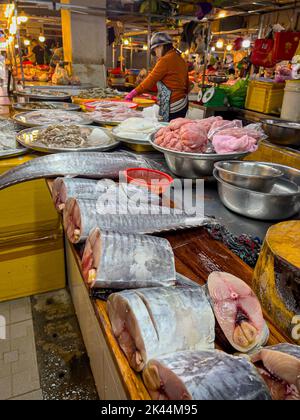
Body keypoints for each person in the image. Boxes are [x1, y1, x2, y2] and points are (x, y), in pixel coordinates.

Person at [125, 32, 190, 122]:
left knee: (166, 132)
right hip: (183, 104)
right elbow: (187, 83)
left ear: (161, 46)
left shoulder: (165, 60)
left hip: (172, 106)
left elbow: (150, 81)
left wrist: (133, 93)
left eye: (155, 50)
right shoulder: (180, 58)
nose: (155, 54)